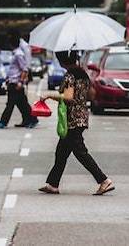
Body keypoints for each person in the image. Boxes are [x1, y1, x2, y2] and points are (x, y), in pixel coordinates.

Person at [38, 50, 114, 196]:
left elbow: (68, 97)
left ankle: (103, 180)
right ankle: (53, 184)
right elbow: (92, 94)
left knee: (80, 153)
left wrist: (48, 95)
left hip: (73, 119)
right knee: (61, 152)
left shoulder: (70, 75)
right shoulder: (83, 75)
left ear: (62, 61)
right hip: (81, 116)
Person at [0, 37, 38, 129]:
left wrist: (21, 82)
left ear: (11, 44)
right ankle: (31, 119)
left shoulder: (18, 55)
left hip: (16, 83)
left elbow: (24, 69)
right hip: (13, 82)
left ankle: (3, 122)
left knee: (10, 104)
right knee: (22, 104)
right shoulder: (16, 54)